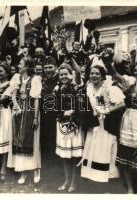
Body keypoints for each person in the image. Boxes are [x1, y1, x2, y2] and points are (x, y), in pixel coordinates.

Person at [107, 56, 137, 193]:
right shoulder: (129, 84)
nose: (136, 73)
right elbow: (114, 74)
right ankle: (129, 189)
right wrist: (107, 61)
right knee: (125, 156)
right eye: (135, 70)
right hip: (128, 122)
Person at [79, 65, 125, 183]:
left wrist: (107, 110)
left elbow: (121, 104)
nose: (94, 76)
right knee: (93, 149)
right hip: (94, 123)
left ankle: (107, 178)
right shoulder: (88, 88)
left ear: (103, 76)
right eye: (92, 73)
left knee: (104, 149)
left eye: (97, 74)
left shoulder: (110, 88)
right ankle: (93, 178)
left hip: (107, 124)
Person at [8, 57, 42, 184]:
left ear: (27, 66)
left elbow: (37, 99)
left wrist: (35, 117)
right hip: (19, 112)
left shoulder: (35, 79)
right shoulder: (17, 78)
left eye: (20, 63)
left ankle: (35, 169)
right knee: (18, 140)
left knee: (32, 140)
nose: (18, 65)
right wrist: (15, 104)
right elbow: (13, 94)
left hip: (30, 111)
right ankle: (22, 172)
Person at [53, 60, 82, 192]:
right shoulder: (57, 89)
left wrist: (74, 111)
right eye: (61, 75)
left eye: (66, 74)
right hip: (62, 124)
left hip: (75, 125)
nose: (63, 77)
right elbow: (54, 108)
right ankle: (66, 180)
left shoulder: (77, 88)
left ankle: (74, 182)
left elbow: (82, 106)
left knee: (75, 155)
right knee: (65, 155)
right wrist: (63, 112)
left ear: (71, 74)